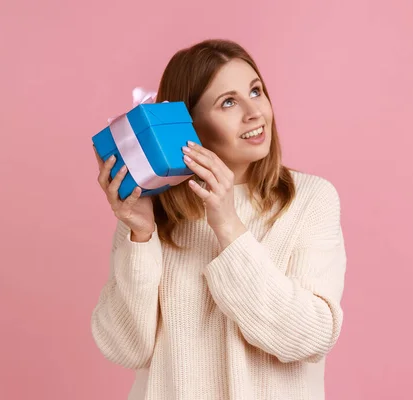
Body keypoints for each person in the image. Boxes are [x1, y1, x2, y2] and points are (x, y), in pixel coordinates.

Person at [91, 38, 347, 400]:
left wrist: (228, 225)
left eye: (256, 91)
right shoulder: (153, 211)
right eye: (228, 102)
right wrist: (141, 235)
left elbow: (310, 337)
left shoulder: (310, 200)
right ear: (189, 124)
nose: (254, 112)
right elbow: (125, 349)